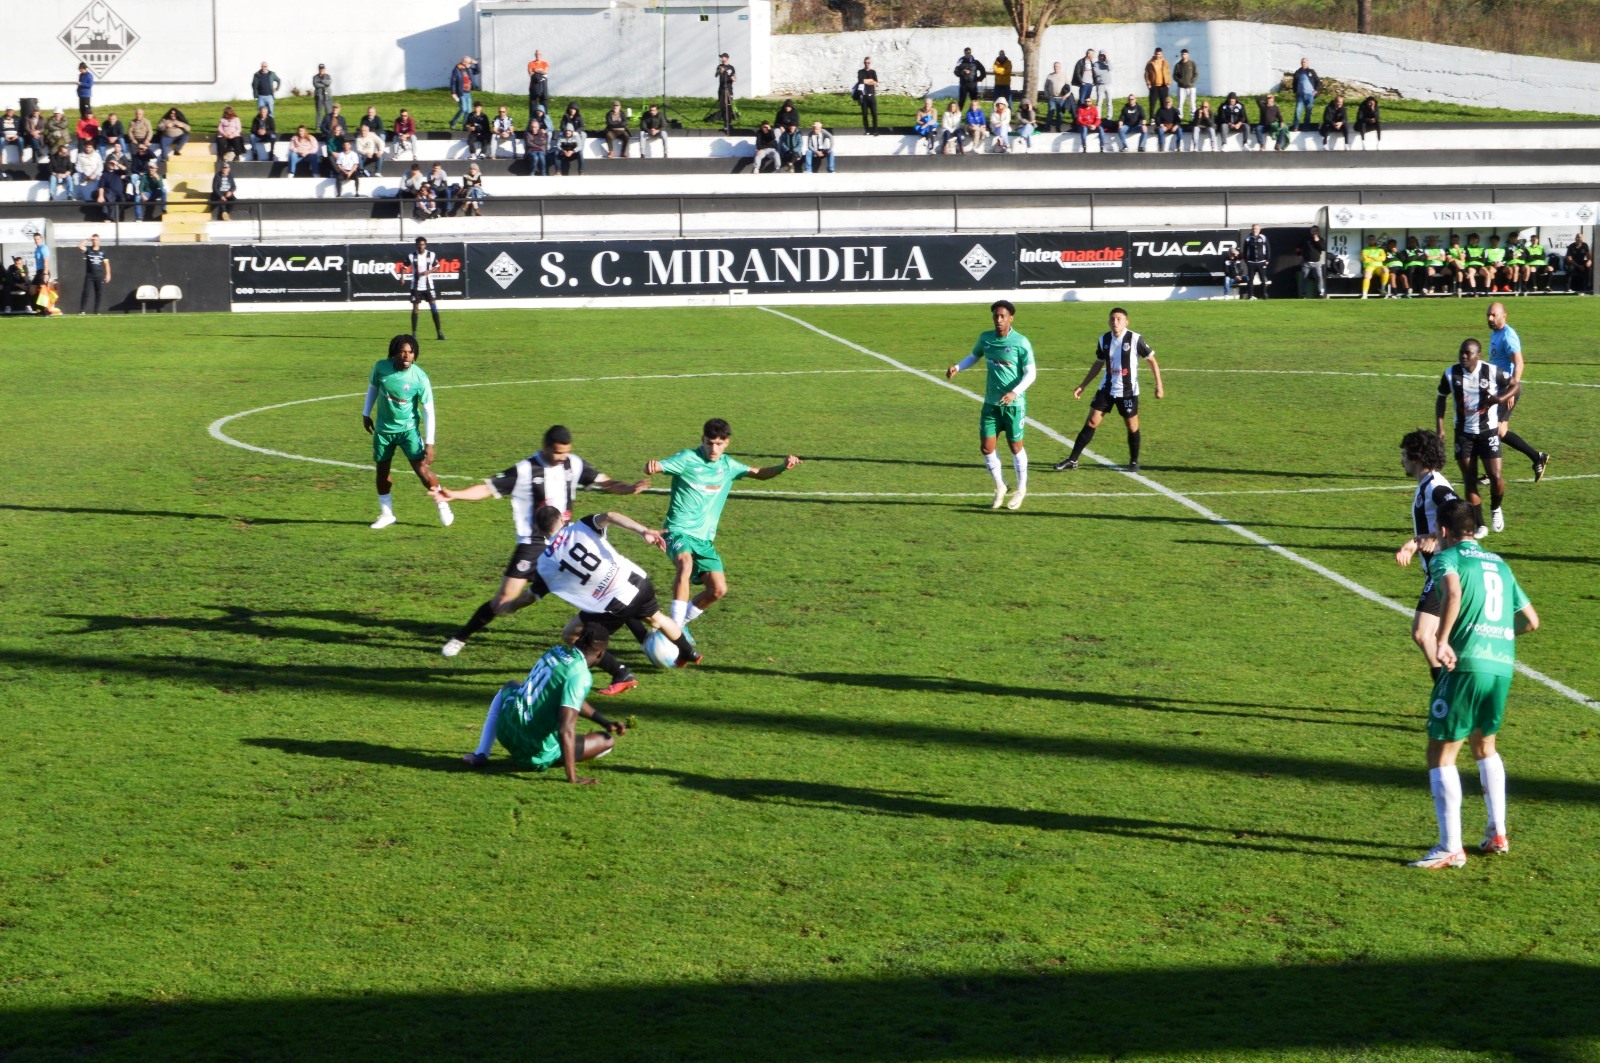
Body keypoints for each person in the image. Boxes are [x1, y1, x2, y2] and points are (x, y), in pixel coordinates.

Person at [433, 426, 654, 668]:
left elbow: (607, 483)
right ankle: (460, 638)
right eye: (558, 453)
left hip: (565, 545)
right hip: (532, 545)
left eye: (566, 452)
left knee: (604, 589)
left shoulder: (574, 464)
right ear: (546, 447)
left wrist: (629, 488)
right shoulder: (525, 470)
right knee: (504, 599)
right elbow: (488, 488)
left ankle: (647, 640)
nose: (562, 458)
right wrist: (454, 494)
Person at [1406, 497, 1538, 869]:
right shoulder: (1500, 564)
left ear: (1444, 531)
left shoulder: (1447, 558)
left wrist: (1445, 639)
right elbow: (1530, 621)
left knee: (1440, 754)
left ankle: (1450, 846)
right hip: (1501, 667)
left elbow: (1453, 593)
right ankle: (1497, 832)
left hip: (1467, 667)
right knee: (1485, 746)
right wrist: (1496, 635)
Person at [645, 418, 802, 626]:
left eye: (719, 444)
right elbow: (661, 465)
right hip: (677, 530)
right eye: (709, 443)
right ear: (702, 440)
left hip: (703, 538)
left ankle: (679, 625)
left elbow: (760, 474)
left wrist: (783, 467)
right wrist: (653, 467)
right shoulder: (687, 458)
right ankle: (674, 631)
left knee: (718, 589)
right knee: (685, 563)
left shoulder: (729, 465)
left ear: (726, 443)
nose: (713, 448)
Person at [461, 622, 627, 782]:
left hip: (505, 730)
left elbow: (570, 698)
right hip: (534, 753)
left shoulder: (556, 651)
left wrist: (604, 721)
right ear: (600, 653)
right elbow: (565, 730)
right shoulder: (580, 674)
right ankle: (557, 758)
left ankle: (481, 753)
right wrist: (573, 778)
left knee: (512, 685)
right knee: (607, 741)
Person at [947, 301, 1035, 510]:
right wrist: (958, 367)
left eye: (1003, 316)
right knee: (987, 447)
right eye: (996, 316)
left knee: (1016, 446)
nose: (998, 320)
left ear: (1011, 318)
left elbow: (1032, 373)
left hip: (1014, 404)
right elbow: (974, 356)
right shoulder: (985, 338)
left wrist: (1015, 392)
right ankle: (1000, 486)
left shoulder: (1020, 342)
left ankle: (1021, 488)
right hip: (991, 404)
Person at [1054, 307, 1165, 473]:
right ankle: (1073, 459)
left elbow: (1152, 361)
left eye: (1119, 319)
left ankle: (1134, 461)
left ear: (1126, 322)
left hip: (1128, 391)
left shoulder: (1135, 339)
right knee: (1091, 422)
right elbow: (1098, 363)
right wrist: (1083, 385)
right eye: (1112, 319)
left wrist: (1159, 385)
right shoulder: (1104, 339)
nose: (1115, 322)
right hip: (1106, 389)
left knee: (1132, 426)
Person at [363, 334, 451, 530]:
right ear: (394, 352)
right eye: (403, 352)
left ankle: (442, 503)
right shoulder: (381, 368)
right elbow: (373, 388)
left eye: (410, 352)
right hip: (384, 431)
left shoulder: (420, 378)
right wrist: (366, 413)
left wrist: (430, 443)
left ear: (415, 355)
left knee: (422, 470)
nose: (406, 356)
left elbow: (429, 410)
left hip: (408, 431)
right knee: (382, 471)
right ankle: (387, 514)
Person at [1394, 428, 1461, 681]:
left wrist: (1431, 539)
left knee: (1423, 634)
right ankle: (1450, 693)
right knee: (1439, 638)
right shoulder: (1427, 485)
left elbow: (1458, 508)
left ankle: (1444, 694)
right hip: (1439, 571)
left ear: (1416, 456)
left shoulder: (1434, 486)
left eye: (1404, 454)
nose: (1402, 460)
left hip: (1445, 570)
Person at [1438, 338, 1518, 538]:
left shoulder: (1491, 372)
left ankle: (1495, 507)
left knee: (1496, 477)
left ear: (1478, 355)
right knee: (1470, 479)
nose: (1463, 356)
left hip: (1488, 432)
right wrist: (1440, 427)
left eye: (1468, 353)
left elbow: (1515, 385)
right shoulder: (1451, 373)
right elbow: (1441, 397)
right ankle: (1480, 524)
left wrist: (1499, 399)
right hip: (1463, 434)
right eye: (1461, 352)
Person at [1485, 302, 1551, 484]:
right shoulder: (1495, 333)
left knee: (1491, 429)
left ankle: (1491, 473)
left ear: (1504, 315)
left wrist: (1512, 390)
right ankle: (1537, 457)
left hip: (1507, 389)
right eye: (1488, 315)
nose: (1490, 319)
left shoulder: (1508, 336)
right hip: (1499, 388)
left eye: (1494, 315)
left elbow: (1519, 363)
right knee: (1499, 430)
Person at [403, 235, 448, 340]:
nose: (421, 247)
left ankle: (439, 333)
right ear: (416, 245)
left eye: (422, 245)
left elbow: (437, 266)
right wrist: (402, 277)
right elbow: (404, 267)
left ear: (425, 245)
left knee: (433, 307)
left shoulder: (431, 255)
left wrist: (429, 271)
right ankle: (414, 334)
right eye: (419, 245)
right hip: (416, 287)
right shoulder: (411, 256)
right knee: (415, 309)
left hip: (428, 287)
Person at [77, 234, 110, 315]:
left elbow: (106, 264)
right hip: (89, 276)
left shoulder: (102, 252)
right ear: (92, 241)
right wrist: (87, 238)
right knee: (86, 292)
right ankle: (82, 310)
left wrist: (108, 274)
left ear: (99, 241)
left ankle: (96, 311)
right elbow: (80, 246)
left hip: (99, 275)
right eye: (94, 240)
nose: (95, 241)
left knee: (99, 293)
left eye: (97, 240)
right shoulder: (88, 250)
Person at [449, 56, 481, 131]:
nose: (470, 64)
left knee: (468, 110)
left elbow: (478, 71)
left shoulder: (468, 69)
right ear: (464, 62)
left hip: (468, 92)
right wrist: (453, 93)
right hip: (461, 92)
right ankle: (453, 122)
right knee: (463, 109)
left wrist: (476, 63)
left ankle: (465, 125)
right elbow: (453, 81)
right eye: (469, 63)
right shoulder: (457, 69)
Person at [1291, 57, 1322, 130]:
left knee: (1308, 112)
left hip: (1310, 95)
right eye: (1302, 62)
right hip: (1300, 96)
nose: (1303, 64)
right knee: (1298, 111)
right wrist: (1295, 91)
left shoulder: (1311, 72)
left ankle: (1306, 127)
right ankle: (1296, 126)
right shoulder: (1298, 72)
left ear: (1307, 63)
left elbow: (1318, 81)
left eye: (1304, 62)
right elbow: (1294, 83)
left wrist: (1316, 90)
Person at [1242, 223, 1271, 300]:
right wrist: (1246, 260)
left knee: (1263, 279)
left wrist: (1267, 259)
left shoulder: (1263, 237)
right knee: (1250, 280)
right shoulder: (1248, 238)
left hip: (1261, 262)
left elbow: (1268, 249)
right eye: (1253, 229)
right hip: (1251, 263)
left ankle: (1264, 295)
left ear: (1259, 230)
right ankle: (1250, 295)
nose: (1255, 230)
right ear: (1251, 230)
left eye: (1256, 229)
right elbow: (1245, 251)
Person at [1299, 224, 1326, 298]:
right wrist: (1301, 254)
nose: (1314, 232)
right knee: (1304, 278)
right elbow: (1299, 247)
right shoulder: (1306, 239)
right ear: (1310, 231)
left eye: (1316, 231)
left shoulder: (1321, 239)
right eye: (1313, 231)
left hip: (1316, 263)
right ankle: (1303, 294)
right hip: (1306, 263)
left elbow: (1323, 248)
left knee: (1319, 277)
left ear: (1318, 232)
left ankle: (1320, 293)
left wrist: (1317, 241)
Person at [1047, 60, 1073, 132]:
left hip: (1061, 98)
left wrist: (1067, 95)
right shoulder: (1050, 76)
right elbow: (1046, 86)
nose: (1056, 68)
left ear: (1060, 67)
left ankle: (1058, 128)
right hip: (1052, 98)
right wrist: (1047, 95)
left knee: (1060, 114)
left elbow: (1069, 86)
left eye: (1057, 67)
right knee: (1050, 112)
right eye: (1055, 66)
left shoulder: (1064, 76)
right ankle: (1047, 127)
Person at [855, 56, 879, 135]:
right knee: (865, 114)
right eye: (865, 63)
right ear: (864, 63)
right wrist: (870, 80)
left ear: (870, 63)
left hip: (871, 95)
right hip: (863, 95)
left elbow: (876, 83)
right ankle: (867, 130)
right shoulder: (860, 72)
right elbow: (861, 81)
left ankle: (875, 130)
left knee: (874, 114)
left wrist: (866, 81)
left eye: (868, 63)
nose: (867, 64)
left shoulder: (873, 72)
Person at [1358, 235, 1388, 299]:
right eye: (1370, 240)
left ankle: (1383, 289)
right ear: (1367, 241)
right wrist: (1377, 258)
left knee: (1385, 270)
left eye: (1373, 239)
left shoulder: (1380, 250)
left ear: (1375, 241)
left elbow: (1383, 258)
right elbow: (1365, 260)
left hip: (1378, 267)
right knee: (1367, 276)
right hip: (1369, 266)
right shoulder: (1364, 250)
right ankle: (1364, 294)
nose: (1371, 241)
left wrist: (1371, 257)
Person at [1143, 48, 1171, 116]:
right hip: (1154, 86)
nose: (1158, 55)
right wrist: (1148, 83)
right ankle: (1152, 118)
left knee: (1164, 104)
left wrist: (1168, 83)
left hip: (1163, 86)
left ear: (1162, 54)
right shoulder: (1150, 63)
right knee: (1152, 104)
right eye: (1156, 54)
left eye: (1159, 54)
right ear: (1154, 53)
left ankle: (1163, 119)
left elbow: (1168, 73)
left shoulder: (1165, 62)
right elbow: (1146, 74)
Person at [1173, 48, 1198, 119]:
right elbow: (1175, 75)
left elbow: (1196, 74)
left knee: (1192, 104)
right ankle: (1179, 117)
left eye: (1185, 54)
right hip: (1181, 87)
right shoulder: (1178, 65)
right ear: (1181, 55)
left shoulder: (1192, 64)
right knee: (1180, 104)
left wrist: (1192, 80)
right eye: (1182, 54)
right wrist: (1180, 81)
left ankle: (1193, 118)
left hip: (1191, 87)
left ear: (1188, 55)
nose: (1183, 56)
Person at [715, 53, 737, 134]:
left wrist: (732, 78)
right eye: (721, 57)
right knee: (723, 106)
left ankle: (729, 122)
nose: (721, 58)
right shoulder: (720, 66)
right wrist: (720, 71)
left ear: (727, 58)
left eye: (722, 57)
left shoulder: (731, 67)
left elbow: (734, 78)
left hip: (729, 89)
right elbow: (716, 75)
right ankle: (725, 123)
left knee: (729, 106)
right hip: (721, 89)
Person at [527, 50, 551, 119]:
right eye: (537, 54)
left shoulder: (545, 63)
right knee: (533, 104)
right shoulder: (531, 63)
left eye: (539, 54)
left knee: (544, 103)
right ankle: (532, 120)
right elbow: (531, 74)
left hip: (543, 87)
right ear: (535, 55)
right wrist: (541, 71)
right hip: (533, 87)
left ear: (541, 55)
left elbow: (546, 72)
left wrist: (536, 70)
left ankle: (544, 119)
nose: (538, 56)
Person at [1091, 51, 1113, 115]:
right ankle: (1098, 118)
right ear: (1099, 56)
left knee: (1109, 102)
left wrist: (1107, 59)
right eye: (1101, 55)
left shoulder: (1107, 63)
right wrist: (1106, 70)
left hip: (1108, 85)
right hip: (1100, 85)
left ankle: (1109, 118)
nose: (1102, 57)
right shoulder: (1096, 64)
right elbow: (1096, 73)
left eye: (1103, 55)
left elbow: (1111, 68)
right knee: (1099, 103)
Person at [312, 63, 333, 129]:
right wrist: (325, 84)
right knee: (319, 112)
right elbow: (316, 85)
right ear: (319, 69)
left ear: (325, 69)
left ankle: (329, 125)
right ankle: (318, 126)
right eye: (321, 69)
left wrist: (321, 81)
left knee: (328, 111)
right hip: (319, 96)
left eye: (323, 69)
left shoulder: (328, 76)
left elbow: (329, 82)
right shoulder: (315, 77)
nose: (322, 70)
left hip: (327, 96)